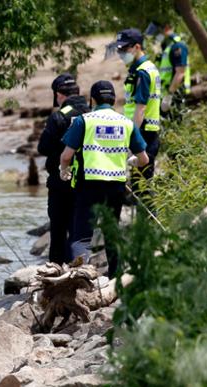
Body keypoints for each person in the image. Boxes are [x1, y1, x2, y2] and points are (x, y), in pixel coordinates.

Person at [59, 80, 149, 277]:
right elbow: (144, 159)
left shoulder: (84, 121)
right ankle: (115, 277)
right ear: (114, 100)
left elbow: (66, 155)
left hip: (88, 184)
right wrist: (131, 162)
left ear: (92, 100)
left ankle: (78, 277)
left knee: (82, 237)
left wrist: (63, 170)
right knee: (112, 232)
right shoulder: (127, 124)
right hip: (116, 186)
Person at [37, 73, 90, 265]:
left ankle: (57, 270)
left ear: (59, 95)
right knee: (79, 230)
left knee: (59, 230)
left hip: (61, 180)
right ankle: (79, 270)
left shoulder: (59, 116)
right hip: (86, 180)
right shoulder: (91, 112)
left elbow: (42, 148)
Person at [113, 28, 162, 205]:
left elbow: (140, 110)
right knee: (140, 188)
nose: (121, 53)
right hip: (146, 134)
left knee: (142, 190)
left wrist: (133, 141)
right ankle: (144, 230)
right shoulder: (143, 68)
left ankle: (149, 229)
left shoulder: (142, 72)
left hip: (144, 136)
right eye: (119, 49)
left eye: (124, 49)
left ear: (137, 47)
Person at [150, 22, 191, 118]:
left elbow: (180, 73)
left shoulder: (177, 46)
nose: (156, 36)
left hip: (175, 94)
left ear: (166, 28)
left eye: (158, 32)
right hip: (166, 92)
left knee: (175, 124)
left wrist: (169, 95)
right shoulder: (168, 46)